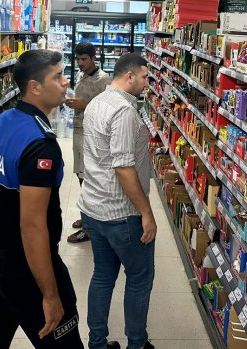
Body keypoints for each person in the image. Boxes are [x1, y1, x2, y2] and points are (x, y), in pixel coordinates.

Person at [0, 50, 84, 349]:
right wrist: (50, 294)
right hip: (27, 271)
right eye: (57, 76)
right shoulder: (40, 144)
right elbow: (32, 227)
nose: (65, 81)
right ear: (35, 87)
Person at [78, 53, 156, 349]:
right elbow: (123, 167)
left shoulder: (98, 102)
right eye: (145, 77)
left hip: (94, 208)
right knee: (139, 279)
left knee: (102, 276)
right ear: (129, 76)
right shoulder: (123, 111)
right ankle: (137, 343)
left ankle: (97, 343)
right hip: (122, 214)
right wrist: (146, 212)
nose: (148, 83)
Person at [65, 42, 111, 243]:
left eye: (84, 59)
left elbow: (107, 109)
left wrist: (84, 104)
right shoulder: (81, 75)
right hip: (78, 130)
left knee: (89, 180)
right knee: (80, 176)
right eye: (78, 59)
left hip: (92, 135)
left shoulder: (104, 80)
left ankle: (90, 229)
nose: (80, 63)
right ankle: (87, 218)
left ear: (93, 58)